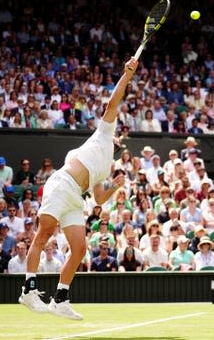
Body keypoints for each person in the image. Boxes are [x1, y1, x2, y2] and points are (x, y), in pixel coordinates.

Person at [19, 57, 138, 320]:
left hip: (76, 198)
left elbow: (98, 199)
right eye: (120, 136)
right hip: (62, 185)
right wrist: (127, 75)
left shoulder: (106, 167)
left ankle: (59, 299)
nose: (120, 140)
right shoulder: (104, 134)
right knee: (45, 233)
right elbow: (113, 102)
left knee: (80, 249)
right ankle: (28, 290)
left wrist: (115, 188)